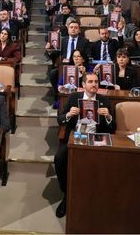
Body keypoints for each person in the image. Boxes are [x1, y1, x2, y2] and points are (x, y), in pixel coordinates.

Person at [54, 72, 116, 218]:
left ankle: (98, 197)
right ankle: (67, 194)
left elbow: (112, 127)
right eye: (90, 82)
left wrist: (108, 116)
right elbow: (60, 119)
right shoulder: (74, 97)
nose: (94, 84)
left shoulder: (104, 100)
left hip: (96, 138)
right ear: (83, 85)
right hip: (75, 137)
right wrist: (69, 114)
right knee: (59, 159)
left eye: (96, 81)